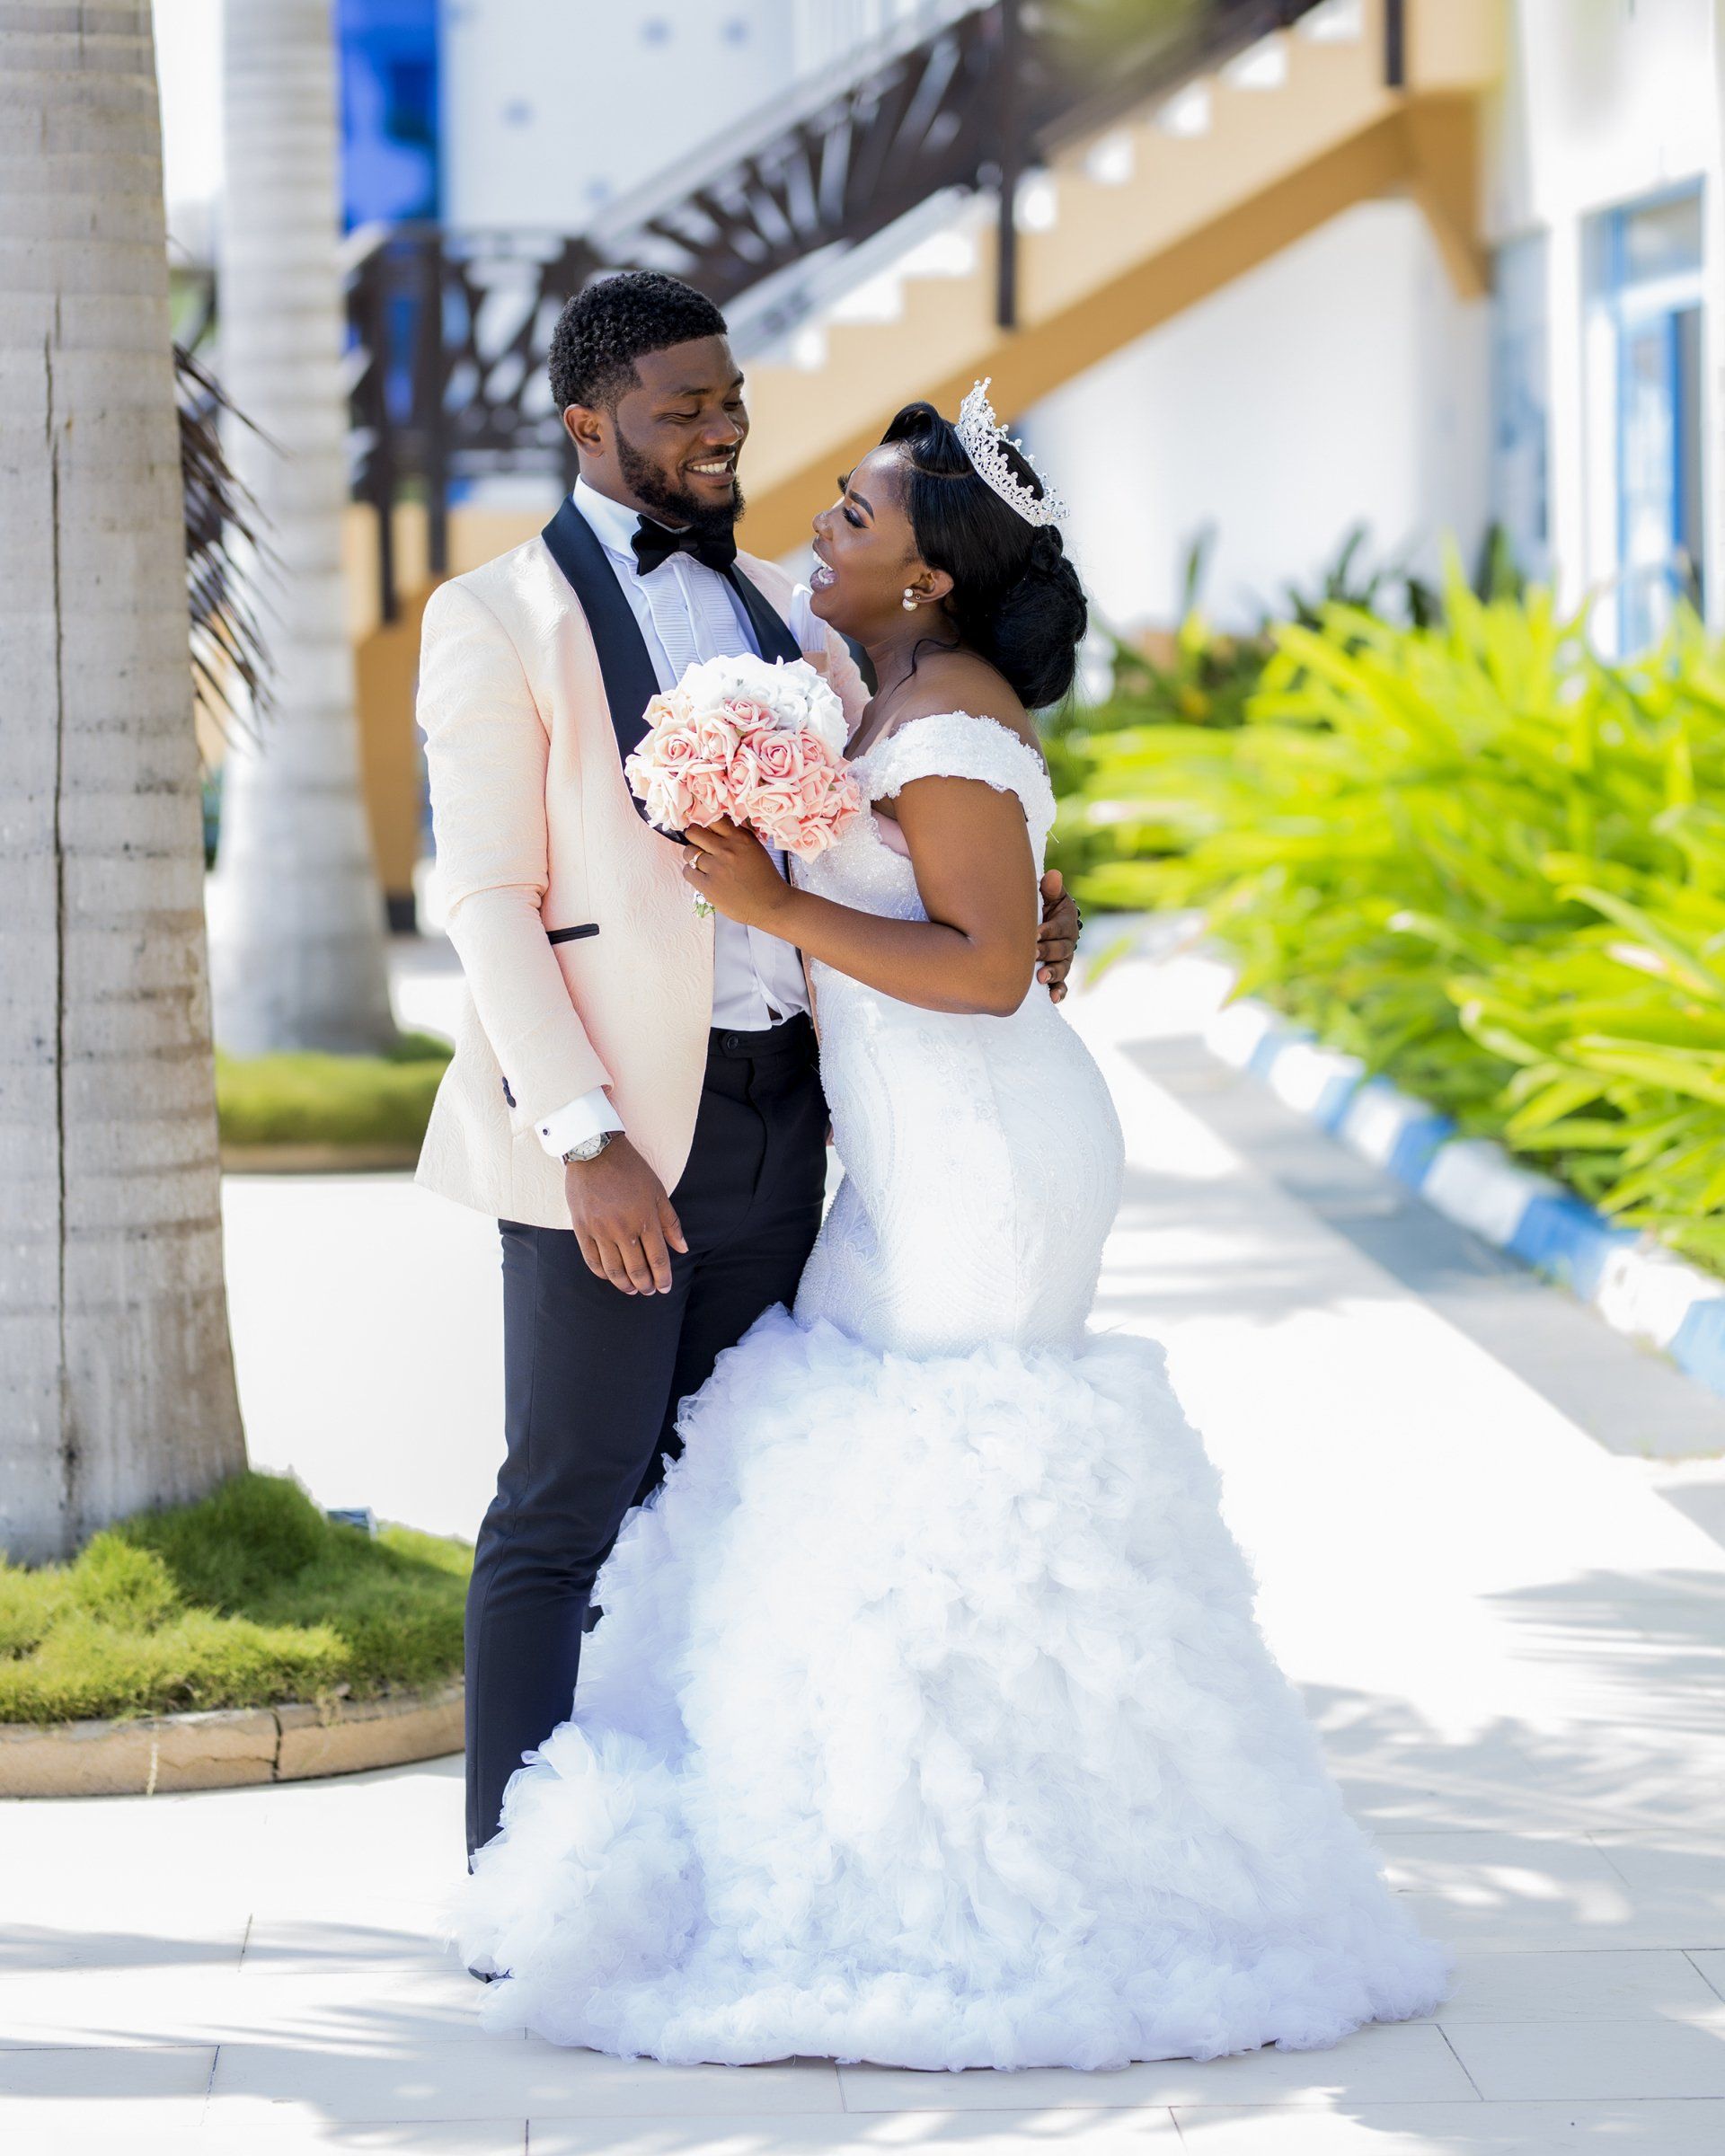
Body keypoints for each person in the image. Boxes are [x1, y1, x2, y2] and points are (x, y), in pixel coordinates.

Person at [452, 384, 1451, 2069]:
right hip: (893, 1140)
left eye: (857, 512)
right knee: (869, 1485)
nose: (816, 521)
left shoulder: (938, 704)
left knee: (952, 1484)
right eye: (830, 499)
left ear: (923, 579)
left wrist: (790, 898)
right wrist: (1012, 892)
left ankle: (991, 1881)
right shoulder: (862, 668)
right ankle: (894, 1846)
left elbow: (987, 968)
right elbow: (962, 899)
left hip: (975, 1150)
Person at [412, 272, 1082, 1866]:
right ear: (591, 424)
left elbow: (911, 804)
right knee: (566, 1505)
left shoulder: (794, 602)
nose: (722, 436)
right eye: (683, 410)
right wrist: (586, 1137)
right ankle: (521, 1883)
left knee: (722, 1499)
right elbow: (487, 902)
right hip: (617, 1132)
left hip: (794, 1116)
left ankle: (693, 1851)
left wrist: (1030, 903)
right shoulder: (494, 616)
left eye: (732, 405)